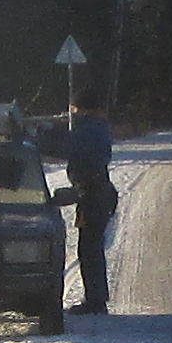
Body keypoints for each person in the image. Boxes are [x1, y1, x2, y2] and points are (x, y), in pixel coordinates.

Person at [56, 97, 117, 314]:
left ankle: (96, 301)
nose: (73, 113)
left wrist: (48, 134)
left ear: (84, 110)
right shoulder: (96, 128)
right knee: (90, 248)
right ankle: (96, 298)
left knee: (90, 249)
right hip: (95, 194)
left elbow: (65, 147)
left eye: (75, 109)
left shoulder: (90, 130)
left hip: (94, 195)